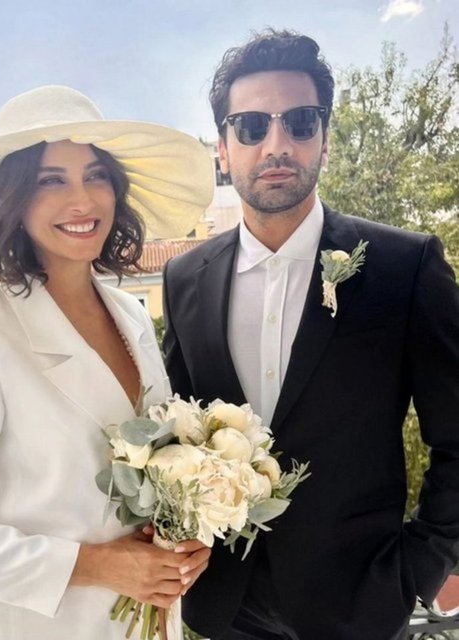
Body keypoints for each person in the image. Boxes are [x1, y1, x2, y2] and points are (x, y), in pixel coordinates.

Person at [163, 29, 459, 640]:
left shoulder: (404, 267)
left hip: (360, 605)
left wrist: (425, 565)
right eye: (251, 127)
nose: (277, 144)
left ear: (324, 139)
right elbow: (174, 425)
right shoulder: (185, 278)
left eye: (300, 122)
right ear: (223, 149)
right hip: (225, 606)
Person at [0, 85, 213, 640]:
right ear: (14, 200)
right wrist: (98, 565)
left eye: (95, 175)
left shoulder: (132, 316)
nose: (82, 200)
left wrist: (184, 534)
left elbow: (153, 474)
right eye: (51, 181)